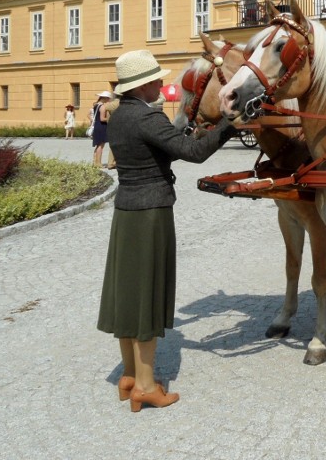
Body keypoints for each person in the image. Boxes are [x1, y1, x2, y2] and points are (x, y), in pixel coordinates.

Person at [97, 49, 237, 412]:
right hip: (150, 214)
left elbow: (163, 147)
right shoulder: (147, 117)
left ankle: (129, 375)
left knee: (128, 295)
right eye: (156, 79)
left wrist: (186, 129)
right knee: (147, 296)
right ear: (143, 85)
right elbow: (194, 153)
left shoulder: (120, 116)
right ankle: (146, 386)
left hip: (126, 211)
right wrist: (230, 124)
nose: (161, 83)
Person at [91, 91, 112, 167]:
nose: (109, 100)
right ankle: (99, 163)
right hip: (101, 126)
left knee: (98, 145)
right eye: (109, 98)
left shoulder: (96, 105)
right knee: (100, 145)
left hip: (97, 125)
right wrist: (110, 118)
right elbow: (102, 119)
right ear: (105, 98)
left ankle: (95, 162)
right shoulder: (102, 106)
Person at [103, 96, 121, 169]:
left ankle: (112, 162)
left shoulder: (110, 104)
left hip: (111, 126)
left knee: (113, 145)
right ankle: (112, 163)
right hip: (119, 126)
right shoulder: (118, 103)